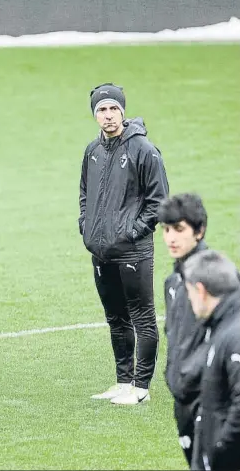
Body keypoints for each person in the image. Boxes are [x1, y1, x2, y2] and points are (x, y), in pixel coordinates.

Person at [79, 82, 169, 405]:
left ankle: (141, 387)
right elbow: (85, 195)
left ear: (123, 111)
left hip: (133, 251)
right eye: (101, 110)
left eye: (113, 109)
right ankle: (123, 381)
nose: (108, 115)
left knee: (141, 316)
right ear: (95, 115)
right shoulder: (92, 151)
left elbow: (159, 201)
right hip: (101, 252)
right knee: (115, 318)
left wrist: (132, 231)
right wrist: (86, 227)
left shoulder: (144, 149)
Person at [158, 193, 209, 465]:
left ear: (199, 231)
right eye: (166, 230)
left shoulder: (215, 280)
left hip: (210, 399)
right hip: (183, 398)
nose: (171, 238)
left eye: (179, 229)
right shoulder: (173, 282)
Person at [183, 250, 240, 471]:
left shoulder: (233, 334)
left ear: (201, 291)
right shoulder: (223, 324)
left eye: (189, 292)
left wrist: (219, 449)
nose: (189, 300)